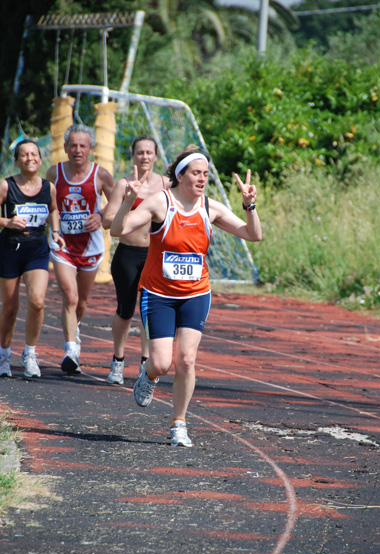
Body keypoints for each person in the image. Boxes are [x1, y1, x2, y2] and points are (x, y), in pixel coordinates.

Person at [110, 150, 262, 447]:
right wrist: (129, 200)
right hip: (159, 295)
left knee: (187, 360)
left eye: (205, 174)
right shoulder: (161, 202)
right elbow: (118, 229)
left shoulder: (210, 207)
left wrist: (249, 205)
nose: (202, 179)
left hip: (195, 294)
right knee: (162, 362)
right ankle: (149, 374)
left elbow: (253, 234)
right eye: (196, 173)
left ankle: (179, 424)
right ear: (180, 175)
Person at [102, 135, 170, 385]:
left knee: (148, 312)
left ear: (155, 155)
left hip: (155, 256)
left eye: (149, 152)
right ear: (133, 156)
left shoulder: (167, 184)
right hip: (128, 255)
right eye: (139, 152)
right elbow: (107, 221)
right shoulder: (124, 185)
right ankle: (117, 361)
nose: (144, 157)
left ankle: (145, 363)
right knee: (125, 310)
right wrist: (129, 201)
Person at [46, 124, 114, 374]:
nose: (77, 150)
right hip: (62, 245)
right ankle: (71, 349)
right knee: (70, 296)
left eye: (82, 146)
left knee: (82, 302)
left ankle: (76, 331)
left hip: (90, 248)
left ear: (91, 149)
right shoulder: (54, 173)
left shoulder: (102, 175)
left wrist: (101, 214)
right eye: (73, 145)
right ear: (65, 148)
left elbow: (117, 205)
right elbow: (44, 200)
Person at [0, 139, 65, 378]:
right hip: (9, 249)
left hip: (37, 248)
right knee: (10, 308)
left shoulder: (49, 187)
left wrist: (56, 233)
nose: (30, 158)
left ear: (40, 158)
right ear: (17, 160)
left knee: (37, 302)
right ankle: (3, 355)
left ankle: (29, 354)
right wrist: (7, 222)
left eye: (34, 154)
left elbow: (54, 209)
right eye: (24, 155)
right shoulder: (5, 186)